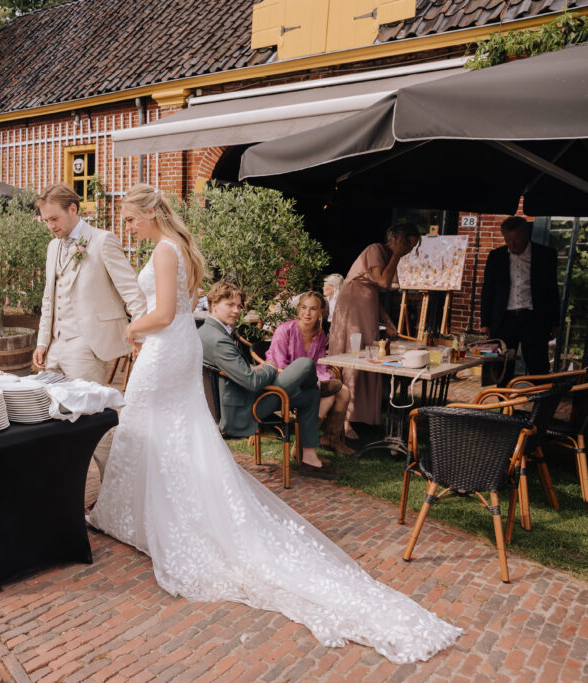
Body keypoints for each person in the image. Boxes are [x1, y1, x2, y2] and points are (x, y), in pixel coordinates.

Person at [88, 184, 460, 663]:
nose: (128, 224)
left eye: (130, 217)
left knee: (151, 429)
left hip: (165, 349)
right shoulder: (179, 248)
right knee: (173, 433)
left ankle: (152, 516)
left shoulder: (163, 249)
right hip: (179, 348)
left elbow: (161, 313)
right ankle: (141, 512)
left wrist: (131, 326)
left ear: (149, 213)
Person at [33, 182, 147, 478]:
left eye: (54, 219)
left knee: (92, 424)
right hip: (55, 347)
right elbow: (49, 297)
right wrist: (42, 342)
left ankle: (115, 489)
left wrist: (142, 336)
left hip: (87, 344)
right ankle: (62, 487)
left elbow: (132, 293)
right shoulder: (52, 246)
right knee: (51, 421)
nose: (50, 226)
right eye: (45, 220)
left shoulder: (102, 241)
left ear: (73, 209)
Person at [200, 281, 337, 478]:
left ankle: (309, 458)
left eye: (238, 306)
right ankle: (308, 457)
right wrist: (271, 367)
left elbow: (237, 371)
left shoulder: (207, 332)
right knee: (305, 365)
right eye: (230, 305)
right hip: (245, 409)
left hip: (240, 399)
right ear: (213, 305)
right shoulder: (219, 340)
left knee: (310, 395)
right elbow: (253, 382)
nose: (236, 310)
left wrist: (254, 368)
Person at [328, 224, 420, 435]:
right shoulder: (376, 249)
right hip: (353, 304)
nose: (407, 250)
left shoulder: (389, 255)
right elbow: (383, 282)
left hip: (366, 304)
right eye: (407, 243)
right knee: (353, 356)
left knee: (367, 355)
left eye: (412, 247)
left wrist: (386, 319)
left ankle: (361, 414)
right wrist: (396, 254)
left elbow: (375, 291)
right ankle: (344, 419)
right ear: (396, 238)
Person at [267, 290, 355, 456]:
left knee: (344, 392)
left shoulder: (319, 333)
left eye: (313, 309)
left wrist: (319, 380)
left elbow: (319, 363)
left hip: (310, 381)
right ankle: (300, 446)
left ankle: (331, 439)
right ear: (298, 309)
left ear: (321, 311)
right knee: (328, 396)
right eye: (304, 308)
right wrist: (307, 382)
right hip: (284, 382)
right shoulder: (284, 330)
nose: (307, 313)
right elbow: (279, 365)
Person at [479, 216, 560, 383]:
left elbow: (552, 290)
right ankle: (503, 404)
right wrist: (485, 322)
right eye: (508, 239)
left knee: (538, 366)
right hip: (503, 320)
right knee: (500, 365)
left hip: (534, 318)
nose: (512, 244)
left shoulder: (546, 255)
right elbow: (488, 290)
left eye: (516, 239)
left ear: (526, 235)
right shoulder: (496, 256)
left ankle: (540, 405)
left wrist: (555, 322)